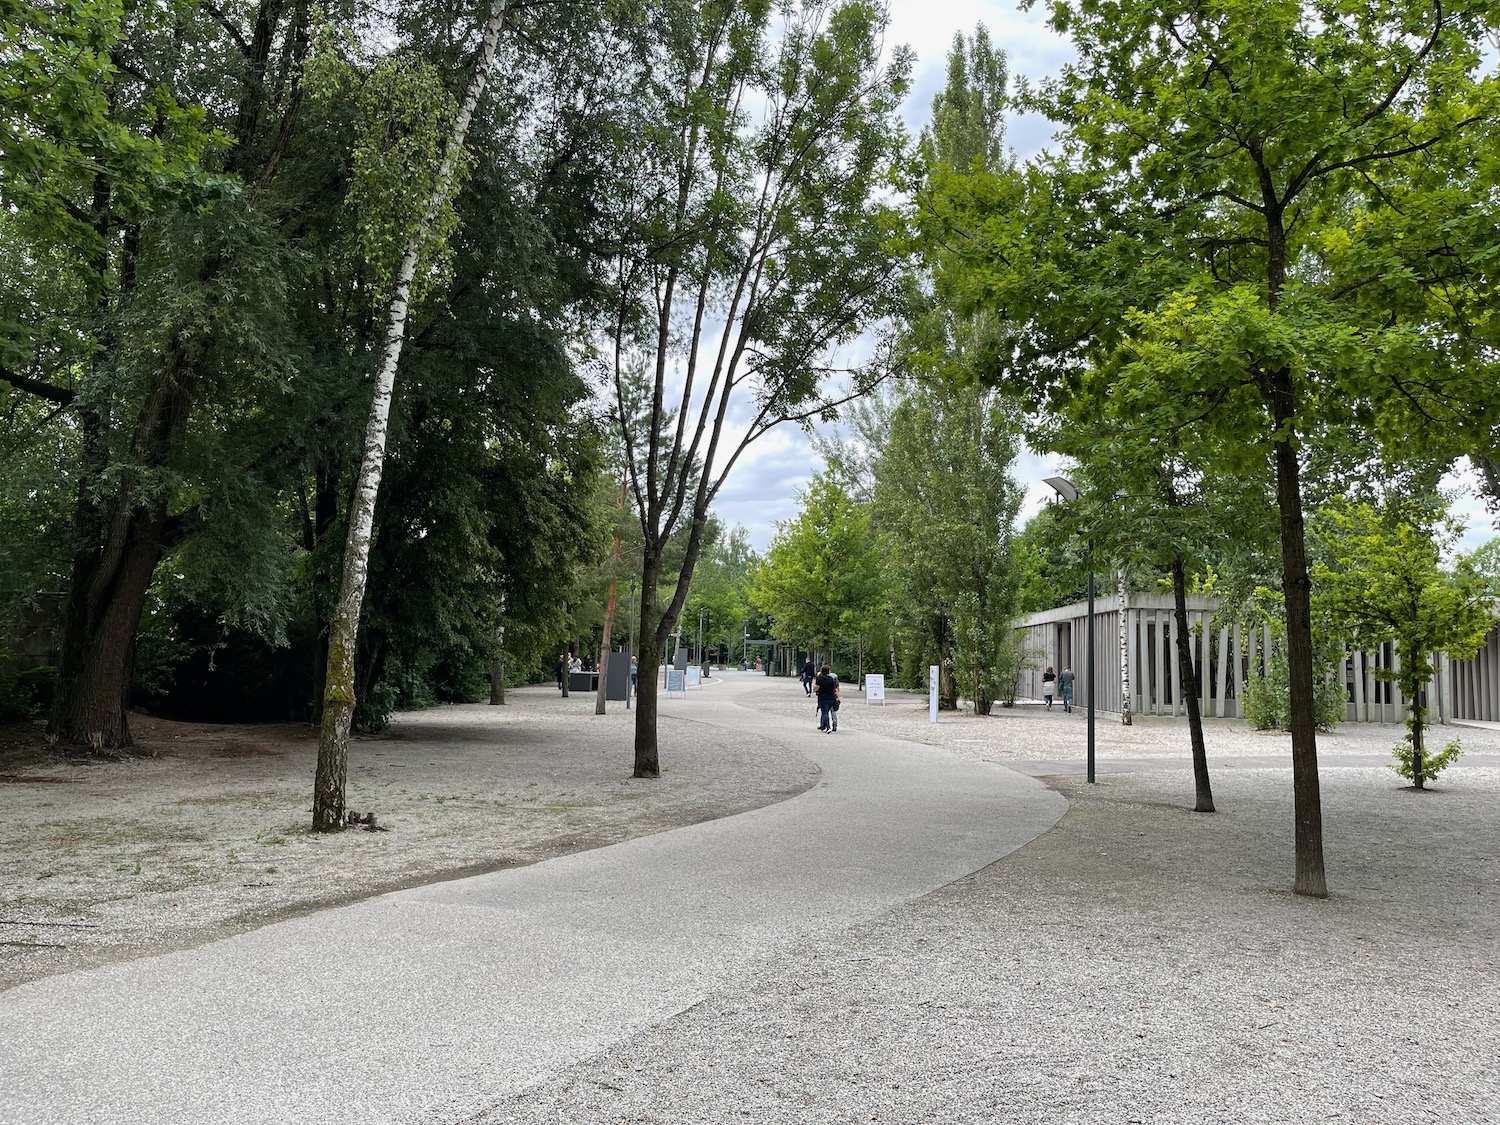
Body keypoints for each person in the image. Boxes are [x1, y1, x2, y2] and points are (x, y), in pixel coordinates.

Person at [814, 664, 840, 733]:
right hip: (831, 698)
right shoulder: (831, 679)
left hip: (823, 697)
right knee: (831, 711)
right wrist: (837, 697)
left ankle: (827, 727)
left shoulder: (819, 678)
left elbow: (816, 688)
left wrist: (815, 689)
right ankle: (829, 725)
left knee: (824, 713)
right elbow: (835, 689)